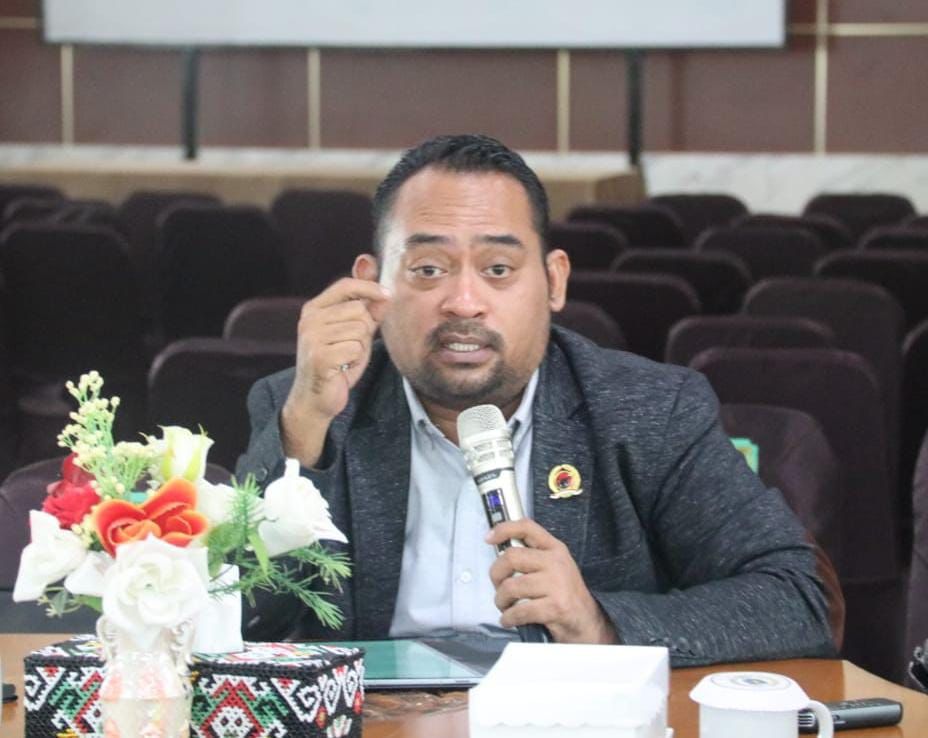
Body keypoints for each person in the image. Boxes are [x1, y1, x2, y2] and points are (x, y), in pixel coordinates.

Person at [237, 134, 840, 665]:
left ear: (553, 281)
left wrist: (597, 622)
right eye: (428, 270)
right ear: (371, 282)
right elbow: (240, 617)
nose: (464, 303)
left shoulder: (649, 412)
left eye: (498, 269)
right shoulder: (308, 407)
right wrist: (303, 429)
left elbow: (794, 597)